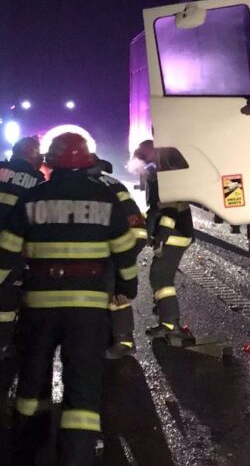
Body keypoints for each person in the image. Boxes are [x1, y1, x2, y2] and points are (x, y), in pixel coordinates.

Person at [0, 132, 138, 465]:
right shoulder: (105, 200)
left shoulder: (33, 199)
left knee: (32, 385)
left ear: (49, 163)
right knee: (82, 389)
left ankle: (25, 451)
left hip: (39, 308)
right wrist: (127, 288)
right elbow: (125, 251)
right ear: (87, 163)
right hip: (87, 313)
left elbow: (5, 253)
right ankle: (77, 457)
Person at [133, 140, 194, 345]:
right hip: (174, 233)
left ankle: (171, 325)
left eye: (143, 157)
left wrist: (162, 235)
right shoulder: (160, 171)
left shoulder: (163, 175)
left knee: (160, 276)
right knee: (159, 277)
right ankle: (166, 320)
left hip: (175, 233)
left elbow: (169, 209)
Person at [87, 154, 147, 359]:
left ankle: (123, 341)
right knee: (114, 289)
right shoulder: (111, 182)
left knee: (115, 292)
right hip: (125, 241)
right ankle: (115, 338)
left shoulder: (96, 186)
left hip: (118, 244)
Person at [0, 137, 45, 360]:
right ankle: (3, 345)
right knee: (6, 298)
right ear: (33, 155)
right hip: (12, 249)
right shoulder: (37, 181)